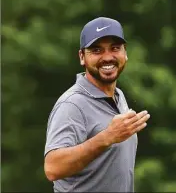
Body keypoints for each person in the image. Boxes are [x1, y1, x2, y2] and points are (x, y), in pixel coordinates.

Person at [44, 17, 150, 192]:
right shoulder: (72, 104)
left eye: (115, 48)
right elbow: (52, 168)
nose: (107, 57)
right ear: (82, 57)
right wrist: (107, 136)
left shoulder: (118, 95)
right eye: (96, 50)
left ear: (125, 53)